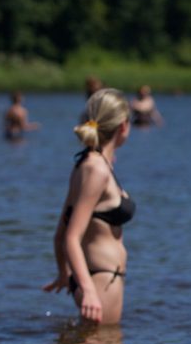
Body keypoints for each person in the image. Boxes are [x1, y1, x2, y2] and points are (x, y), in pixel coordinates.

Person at [44, 88, 135, 325]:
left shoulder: (89, 163)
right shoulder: (96, 169)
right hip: (100, 281)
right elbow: (71, 237)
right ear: (123, 126)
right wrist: (88, 290)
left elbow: (61, 231)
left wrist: (64, 274)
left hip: (98, 278)